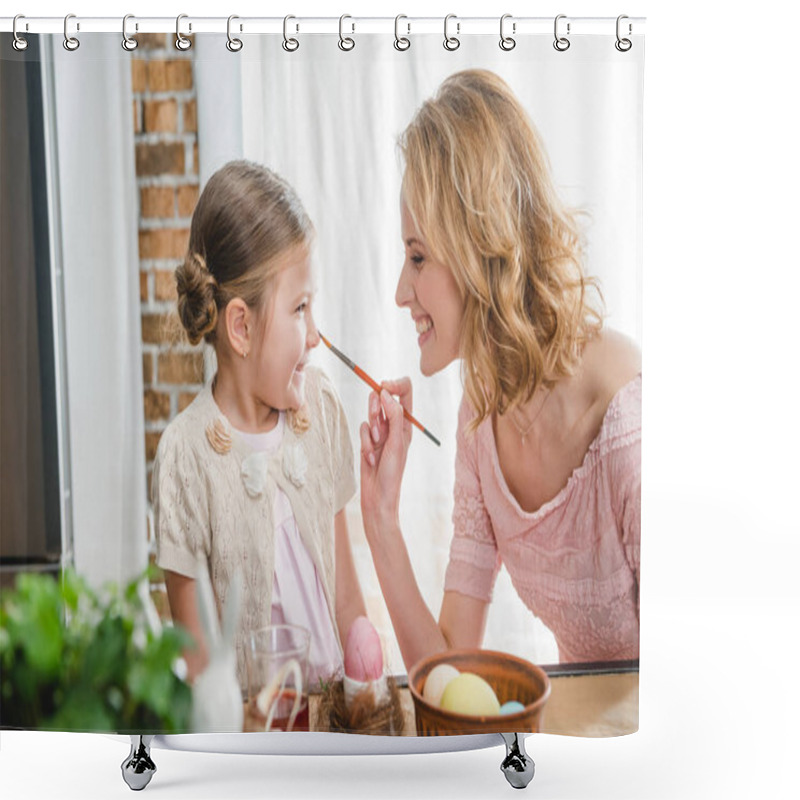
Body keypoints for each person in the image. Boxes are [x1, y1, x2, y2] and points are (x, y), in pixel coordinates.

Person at [359, 70, 641, 670]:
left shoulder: (626, 421)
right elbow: (449, 674)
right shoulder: (479, 420)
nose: (400, 291)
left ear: (479, 244)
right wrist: (381, 520)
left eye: (417, 257)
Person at [152, 160, 366, 690]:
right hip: (254, 742)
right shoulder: (185, 456)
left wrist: (364, 664)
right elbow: (201, 666)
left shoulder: (319, 407)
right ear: (241, 327)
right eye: (300, 308)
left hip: (333, 729)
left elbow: (344, 594)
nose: (315, 335)